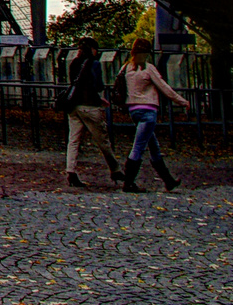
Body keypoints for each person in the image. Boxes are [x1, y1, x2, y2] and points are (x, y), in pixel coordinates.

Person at [119, 36, 192, 193]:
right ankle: (128, 182)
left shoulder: (126, 68)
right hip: (148, 110)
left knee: (153, 146)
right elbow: (165, 88)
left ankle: (168, 180)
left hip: (133, 110)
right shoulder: (148, 67)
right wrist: (182, 102)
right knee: (138, 146)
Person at [63, 36, 122, 188]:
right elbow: (97, 85)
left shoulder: (74, 63)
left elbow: (75, 84)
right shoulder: (94, 64)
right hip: (89, 106)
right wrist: (98, 98)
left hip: (74, 105)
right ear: (93, 49)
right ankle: (115, 169)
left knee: (74, 140)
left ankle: (71, 171)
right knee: (102, 140)